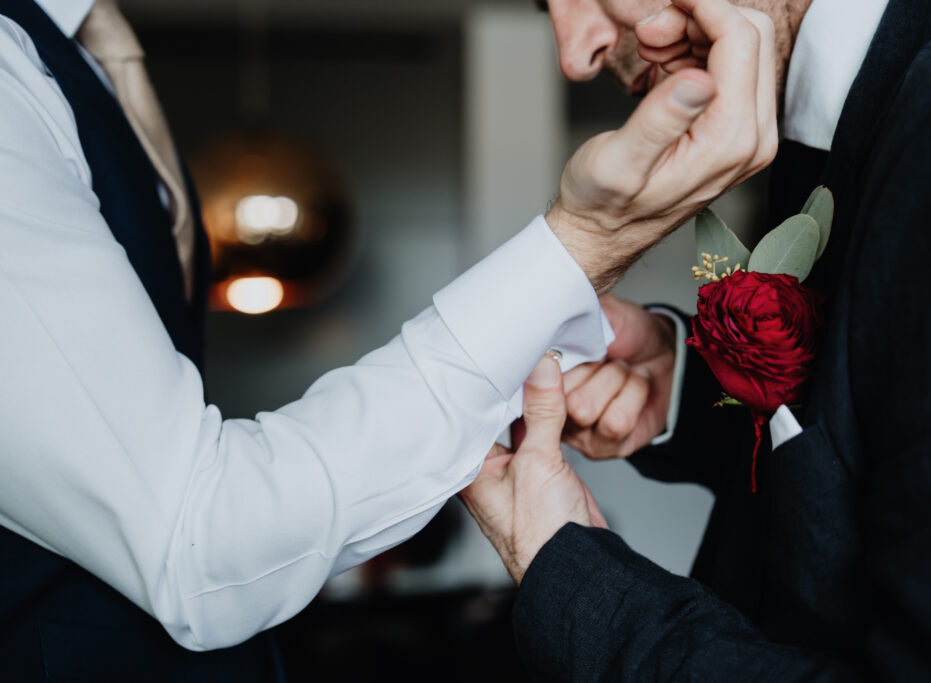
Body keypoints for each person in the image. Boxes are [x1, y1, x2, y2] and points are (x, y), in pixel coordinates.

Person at [0, 0, 775, 679]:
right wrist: (585, 241)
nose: (573, 56)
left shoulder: (79, 53)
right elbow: (191, 540)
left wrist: (683, 385)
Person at [461, 0, 931, 678]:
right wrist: (691, 387)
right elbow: (896, 427)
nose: (574, 53)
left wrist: (569, 576)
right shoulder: (822, 114)